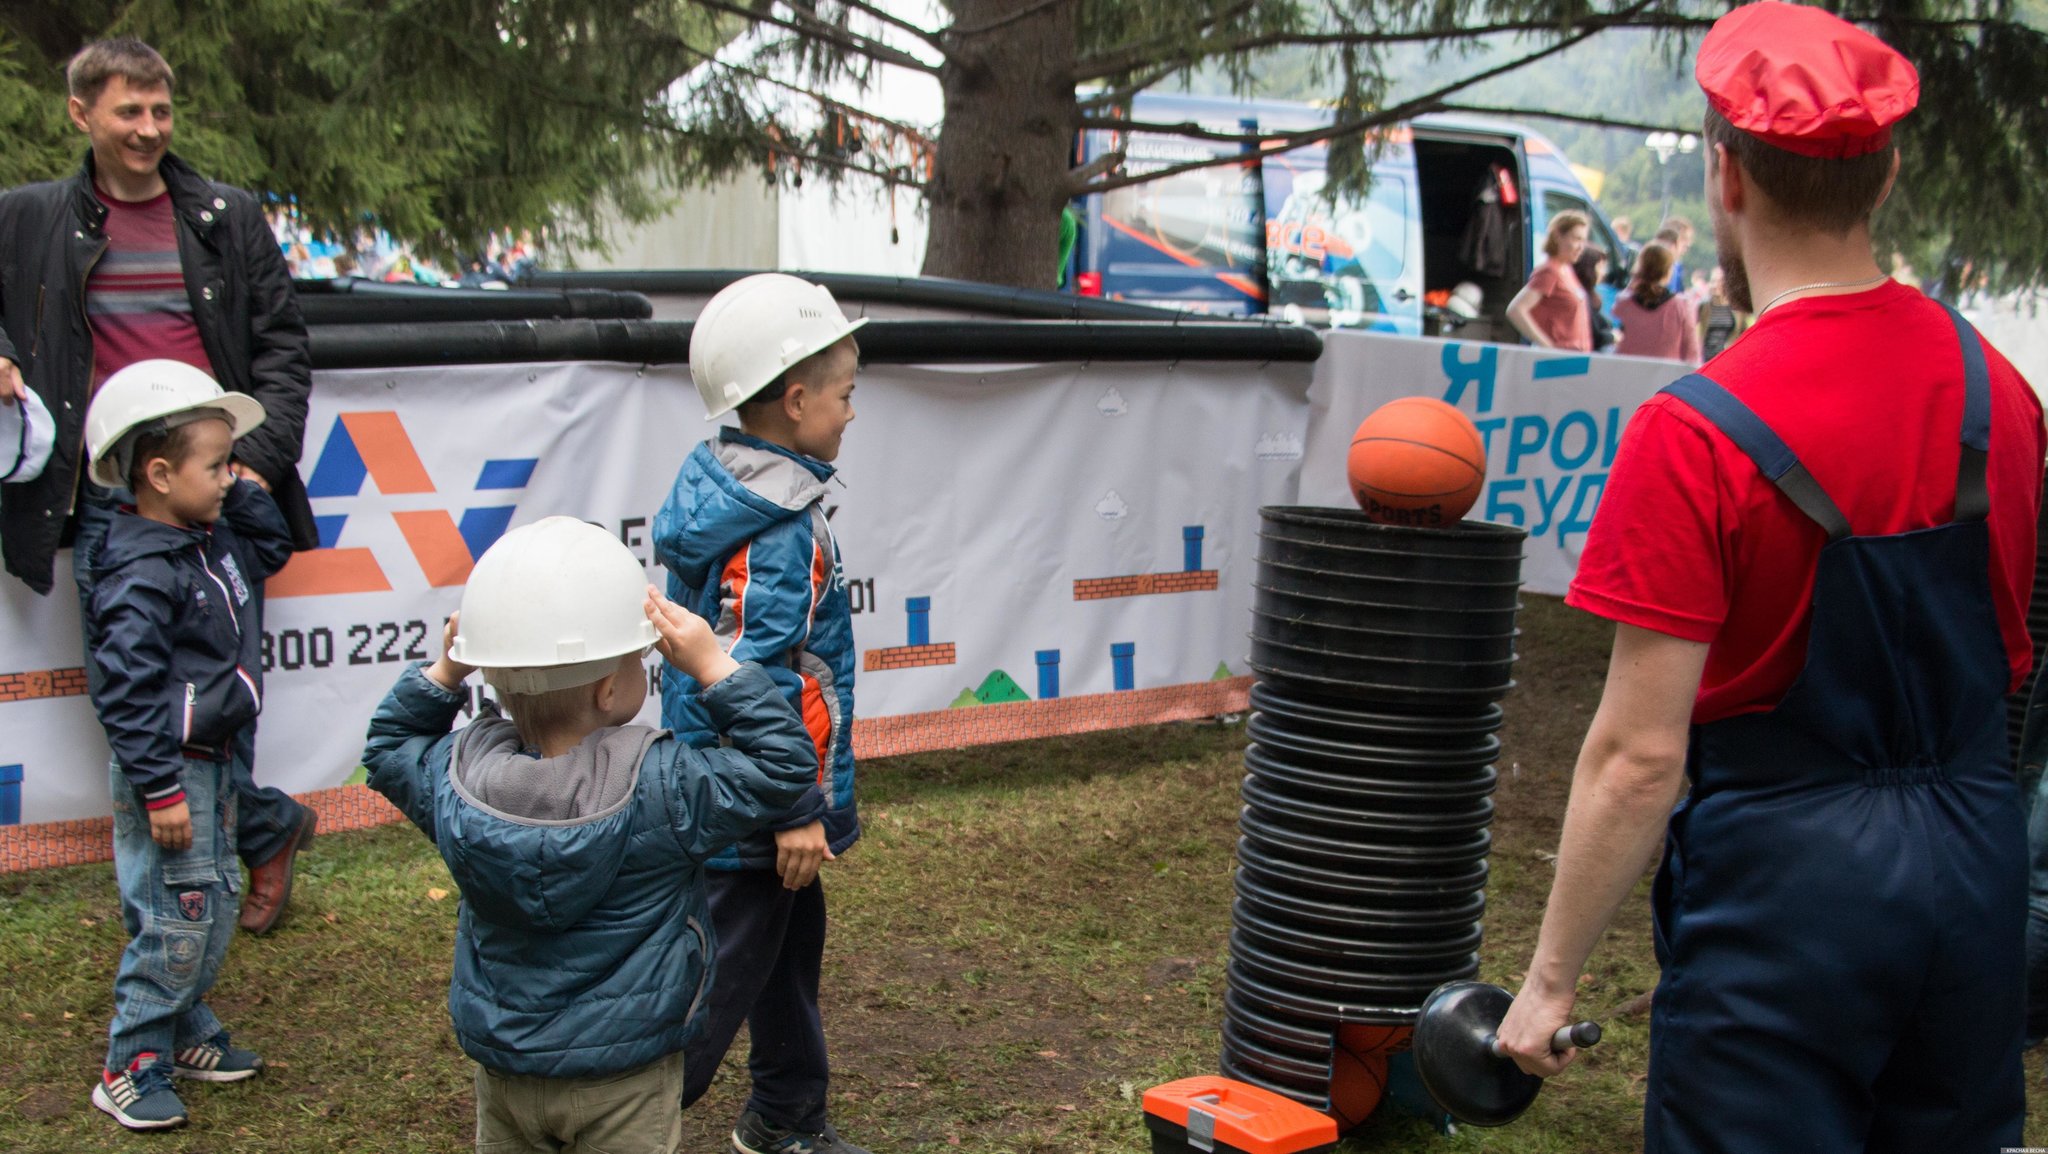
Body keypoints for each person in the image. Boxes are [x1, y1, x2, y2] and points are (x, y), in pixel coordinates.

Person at [1496, 5, 2044, 1149]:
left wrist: (1547, 983)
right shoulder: (2001, 391)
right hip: (1976, 859)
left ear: (1723, 177)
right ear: (1885, 177)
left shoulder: (1692, 430)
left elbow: (1639, 754)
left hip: (1786, 884)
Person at [361, 517, 823, 1154]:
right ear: (611, 689)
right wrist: (716, 665)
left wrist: (446, 669)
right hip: (626, 1079)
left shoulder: (454, 778)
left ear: (491, 669)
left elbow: (387, 747)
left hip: (506, 1074)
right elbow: (786, 765)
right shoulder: (664, 787)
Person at [0, 37, 319, 934]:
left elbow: (285, 347)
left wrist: (253, 462)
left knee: (226, 697)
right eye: (127, 111)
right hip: (106, 499)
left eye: (160, 111)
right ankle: (242, 841)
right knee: (133, 688)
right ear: (81, 113)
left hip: (215, 496)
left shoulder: (227, 215)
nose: (147, 129)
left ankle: (205, 881)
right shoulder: (29, 218)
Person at [656, 273, 870, 1154]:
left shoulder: (746, 489)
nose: (853, 412)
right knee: (711, 993)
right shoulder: (775, 526)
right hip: (759, 810)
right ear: (794, 400)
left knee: (786, 966)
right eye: (845, 393)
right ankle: (616, 1120)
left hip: (766, 802)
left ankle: (784, 1121)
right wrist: (792, 808)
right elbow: (750, 675)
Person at [80, 361, 293, 1131]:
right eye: (215, 466)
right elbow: (127, 692)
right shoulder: (141, 572)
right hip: (172, 774)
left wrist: (243, 488)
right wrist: (159, 786)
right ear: (161, 475)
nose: (228, 478)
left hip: (216, 764)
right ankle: (131, 1062)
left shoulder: (209, 537)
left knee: (212, 902)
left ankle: (184, 1024)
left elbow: (272, 552)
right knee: (176, 912)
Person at [1505, 211, 1593, 352]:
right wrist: (1547, 345)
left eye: (1584, 241)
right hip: (1557, 359)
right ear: (1558, 236)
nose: (1581, 247)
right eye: (1576, 239)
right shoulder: (1549, 272)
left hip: (1576, 358)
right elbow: (1516, 310)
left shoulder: (1567, 269)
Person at [1612, 242, 1701, 363]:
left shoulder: (1622, 304)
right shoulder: (1682, 306)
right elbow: (1692, 355)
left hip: (1627, 376)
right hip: (1668, 378)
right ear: (1668, 271)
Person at [1696, 268, 1749, 360]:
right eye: (1713, 281)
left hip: (1727, 358)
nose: (1716, 285)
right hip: (1705, 358)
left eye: (1720, 281)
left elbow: (1743, 334)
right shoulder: (1703, 307)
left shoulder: (1737, 310)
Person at [1571, 246, 1616, 353]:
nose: (1603, 273)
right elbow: (1594, 336)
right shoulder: (1580, 297)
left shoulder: (1588, 295)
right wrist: (1613, 336)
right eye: (1600, 267)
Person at [1656, 216, 1694, 293]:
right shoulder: (1657, 266)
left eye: (1689, 239)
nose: (1688, 244)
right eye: (1684, 239)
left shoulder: (1677, 267)